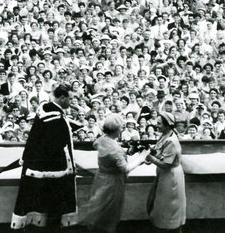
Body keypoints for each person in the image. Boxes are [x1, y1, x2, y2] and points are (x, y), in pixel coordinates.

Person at [12, 84, 79, 230]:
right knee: (54, 213)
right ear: (62, 98)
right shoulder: (54, 118)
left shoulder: (48, 113)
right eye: (70, 98)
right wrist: (67, 164)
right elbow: (53, 147)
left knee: (40, 213)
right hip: (53, 173)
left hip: (41, 171)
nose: (71, 102)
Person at [83, 114, 144, 233]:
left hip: (101, 179)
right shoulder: (114, 150)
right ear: (115, 129)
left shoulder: (102, 139)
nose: (122, 130)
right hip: (112, 184)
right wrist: (141, 158)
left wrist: (127, 151)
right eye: (121, 128)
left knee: (100, 211)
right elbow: (126, 168)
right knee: (110, 214)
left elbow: (104, 147)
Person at [145, 112, 185, 233]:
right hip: (165, 175)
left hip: (171, 176)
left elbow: (166, 165)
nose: (157, 126)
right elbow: (159, 152)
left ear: (167, 125)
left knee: (170, 206)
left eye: (159, 124)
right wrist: (151, 152)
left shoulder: (171, 141)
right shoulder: (164, 135)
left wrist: (149, 158)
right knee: (162, 205)